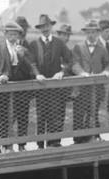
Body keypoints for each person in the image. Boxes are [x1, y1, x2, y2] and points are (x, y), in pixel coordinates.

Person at [0, 21, 43, 154]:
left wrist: (37, 75)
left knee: (22, 117)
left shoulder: (23, 49)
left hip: (21, 89)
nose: (13, 37)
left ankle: (22, 145)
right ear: (5, 34)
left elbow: (32, 65)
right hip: (2, 89)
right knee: (1, 118)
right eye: (10, 34)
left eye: (15, 34)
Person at [28, 14, 78, 148]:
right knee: (41, 115)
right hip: (41, 86)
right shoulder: (34, 44)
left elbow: (70, 60)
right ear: (39, 29)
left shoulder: (59, 43)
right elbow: (31, 63)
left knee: (55, 114)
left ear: (51, 27)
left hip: (56, 87)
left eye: (47, 26)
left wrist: (62, 72)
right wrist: (37, 74)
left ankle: (54, 143)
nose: (44, 29)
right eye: (42, 27)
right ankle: (40, 145)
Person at [72, 20, 109, 144]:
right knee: (79, 113)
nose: (91, 35)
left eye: (93, 32)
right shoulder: (78, 46)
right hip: (81, 87)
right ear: (85, 33)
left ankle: (92, 138)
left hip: (96, 88)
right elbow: (74, 63)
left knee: (93, 113)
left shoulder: (102, 49)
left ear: (97, 33)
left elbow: (108, 64)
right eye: (88, 32)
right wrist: (81, 72)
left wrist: (106, 71)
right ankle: (78, 140)